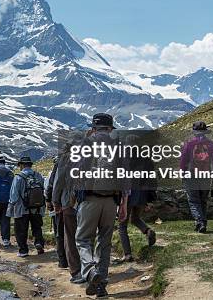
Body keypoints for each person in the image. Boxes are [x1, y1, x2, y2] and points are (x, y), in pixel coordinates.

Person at [74, 113, 128, 298]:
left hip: (90, 200)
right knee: (104, 243)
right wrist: (124, 205)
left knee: (83, 239)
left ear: (94, 128)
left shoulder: (87, 144)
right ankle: (101, 286)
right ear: (111, 128)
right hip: (112, 201)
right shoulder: (118, 146)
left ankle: (90, 271)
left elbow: (78, 171)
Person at [117, 134, 157, 262]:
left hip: (127, 194)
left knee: (122, 225)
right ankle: (148, 230)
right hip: (142, 194)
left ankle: (127, 254)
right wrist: (150, 198)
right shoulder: (146, 158)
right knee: (135, 218)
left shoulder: (123, 158)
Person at [180, 121, 213, 233]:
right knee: (203, 200)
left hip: (192, 174)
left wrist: (182, 173)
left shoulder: (189, 144)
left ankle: (200, 222)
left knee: (194, 200)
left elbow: (183, 160)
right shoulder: (210, 144)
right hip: (206, 174)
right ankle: (203, 222)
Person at [52, 144, 83, 284]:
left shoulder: (65, 160)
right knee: (86, 236)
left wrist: (55, 202)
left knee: (70, 237)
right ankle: (89, 267)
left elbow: (58, 183)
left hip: (68, 204)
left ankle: (76, 272)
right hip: (86, 203)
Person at [7, 156, 46, 258]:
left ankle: (23, 250)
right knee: (37, 227)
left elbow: (14, 196)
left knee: (21, 230)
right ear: (30, 165)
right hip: (37, 208)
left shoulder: (18, 177)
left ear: (21, 165)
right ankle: (39, 243)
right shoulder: (38, 175)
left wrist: (10, 208)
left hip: (21, 209)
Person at [45, 160, 67, 268]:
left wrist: (50, 200)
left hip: (61, 204)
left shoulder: (60, 164)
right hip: (77, 204)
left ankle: (63, 261)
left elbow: (53, 184)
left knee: (60, 232)